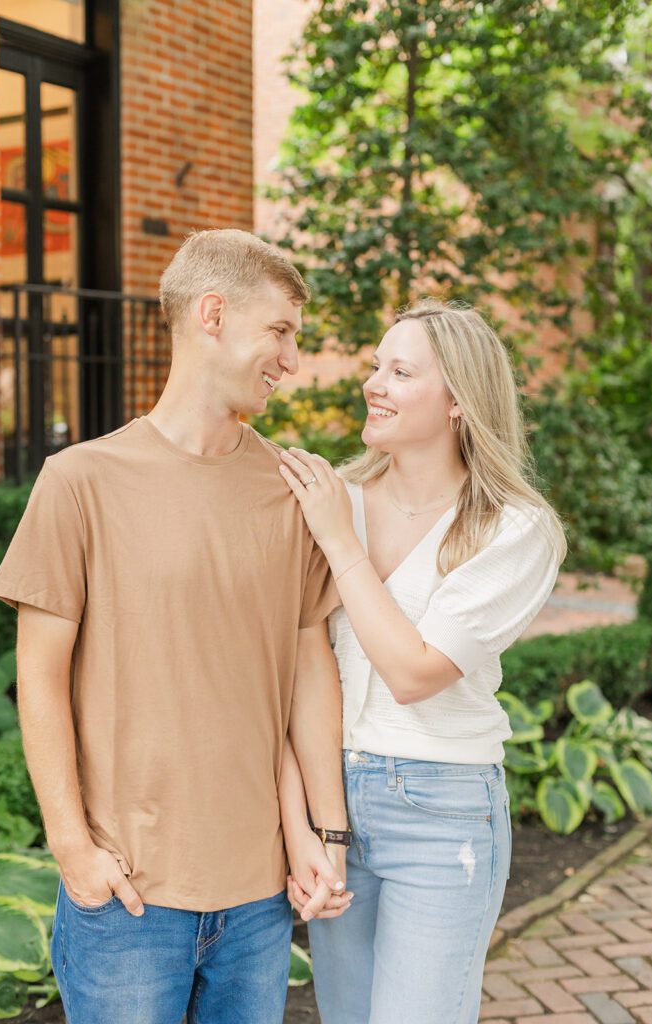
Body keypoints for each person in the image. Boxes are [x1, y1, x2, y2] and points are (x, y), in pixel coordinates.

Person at [0, 229, 351, 1024]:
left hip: (258, 899)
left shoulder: (290, 491)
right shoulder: (80, 480)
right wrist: (72, 848)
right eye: (281, 331)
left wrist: (325, 835)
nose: (291, 360)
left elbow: (307, 669)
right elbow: (40, 679)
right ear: (212, 314)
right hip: (128, 898)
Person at [278, 298, 567, 1024]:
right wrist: (310, 824)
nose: (372, 383)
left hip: (443, 811)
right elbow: (283, 674)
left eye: (400, 371)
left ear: (458, 404)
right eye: (375, 366)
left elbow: (413, 673)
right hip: (331, 792)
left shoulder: (514, 529)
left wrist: (341, 544)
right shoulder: (330, 497)